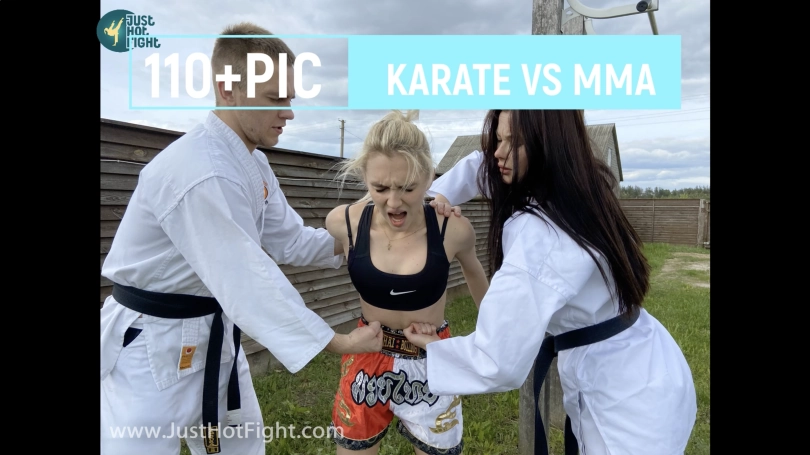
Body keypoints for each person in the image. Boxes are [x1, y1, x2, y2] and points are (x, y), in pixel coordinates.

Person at [100, 22, 383, 455]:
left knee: (242, 448)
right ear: (228, 90)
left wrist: (366, 234)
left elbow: (290, 240)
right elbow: (248, 281)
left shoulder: (252, 164)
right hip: (151, 347)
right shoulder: (201, 171)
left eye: (289, 98)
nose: (289, 112)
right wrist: (338, 342)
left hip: (214, 337)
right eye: (275, 99)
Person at [403, 110, 697, 455]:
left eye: (515, 142)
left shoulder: (540, 235)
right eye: (498, 139)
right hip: (650, 361)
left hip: (624, 401)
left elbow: (497, 359)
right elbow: (484, 165)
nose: (498, 153)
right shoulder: (580, 186)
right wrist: (438, 195)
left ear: (549, 146)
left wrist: (434, 347)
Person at [323, 110, 490, 455]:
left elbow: (477, 280)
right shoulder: (343, 223)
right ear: (365, 178)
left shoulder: (453, 229)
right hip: (368, 355)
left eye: (407, 188)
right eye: (380, 188)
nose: (394, 202)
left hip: (431, 356)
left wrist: (496, 338)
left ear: (429, 178)